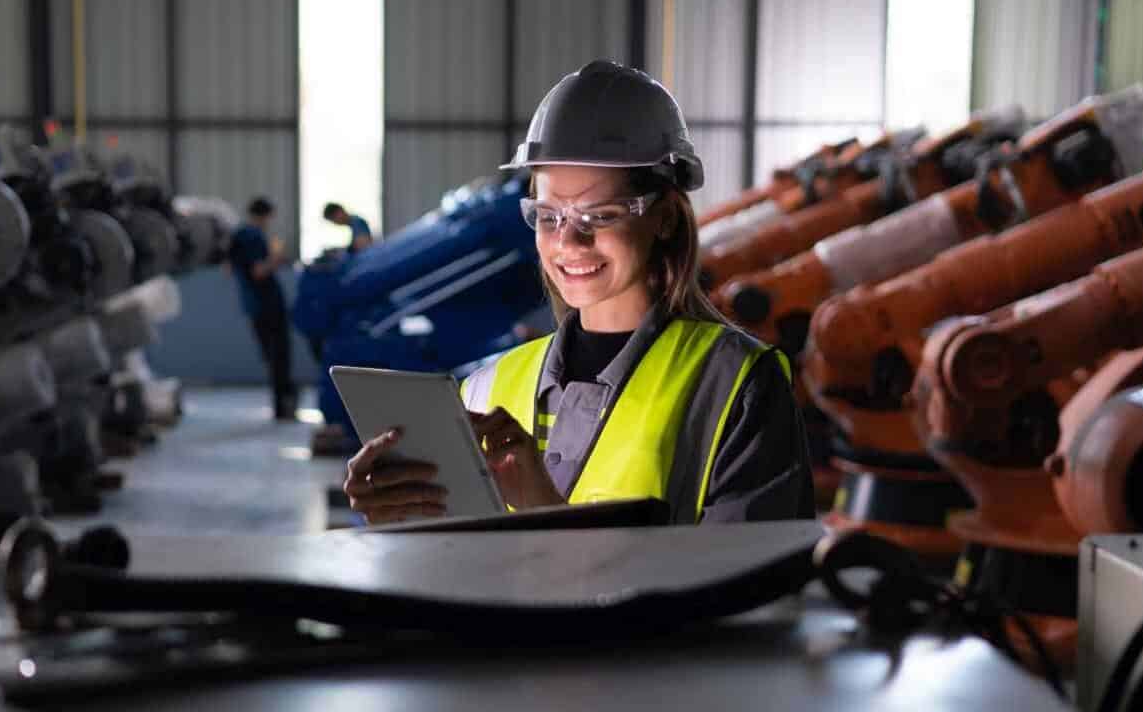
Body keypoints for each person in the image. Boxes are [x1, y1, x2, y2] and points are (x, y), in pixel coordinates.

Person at [343, 60, 813, 525]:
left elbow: (744, 589)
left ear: (665, 218)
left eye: (601, 215)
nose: (568, 241)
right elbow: (455, 574)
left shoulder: (737, 385)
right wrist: (399, 520)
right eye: (549, 217)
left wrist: (542, 511)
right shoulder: (485, 388)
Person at [229, 197, 297, 420]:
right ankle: (283, 406)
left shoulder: (238, 236)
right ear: (265, 216)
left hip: (254, 306)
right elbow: (259, 271)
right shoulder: (253, 236)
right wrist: (276, 258)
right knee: (279, 357)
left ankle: (282, 404)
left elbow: (229, 268)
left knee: (272, 357)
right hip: (268, 305)